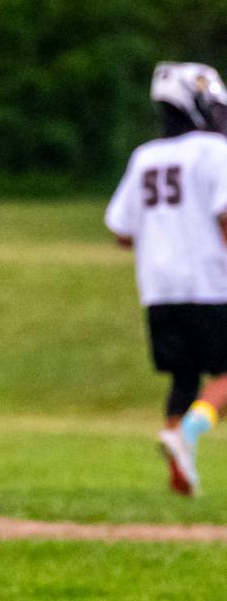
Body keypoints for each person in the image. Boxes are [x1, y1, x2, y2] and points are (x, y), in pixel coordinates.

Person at [105, 61, 227, 496]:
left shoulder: (145, 157)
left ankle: (181, 470)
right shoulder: (214, 151)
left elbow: (122, 229)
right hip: (212, 283)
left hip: (160, 289)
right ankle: (189, 432)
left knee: (184, 378)